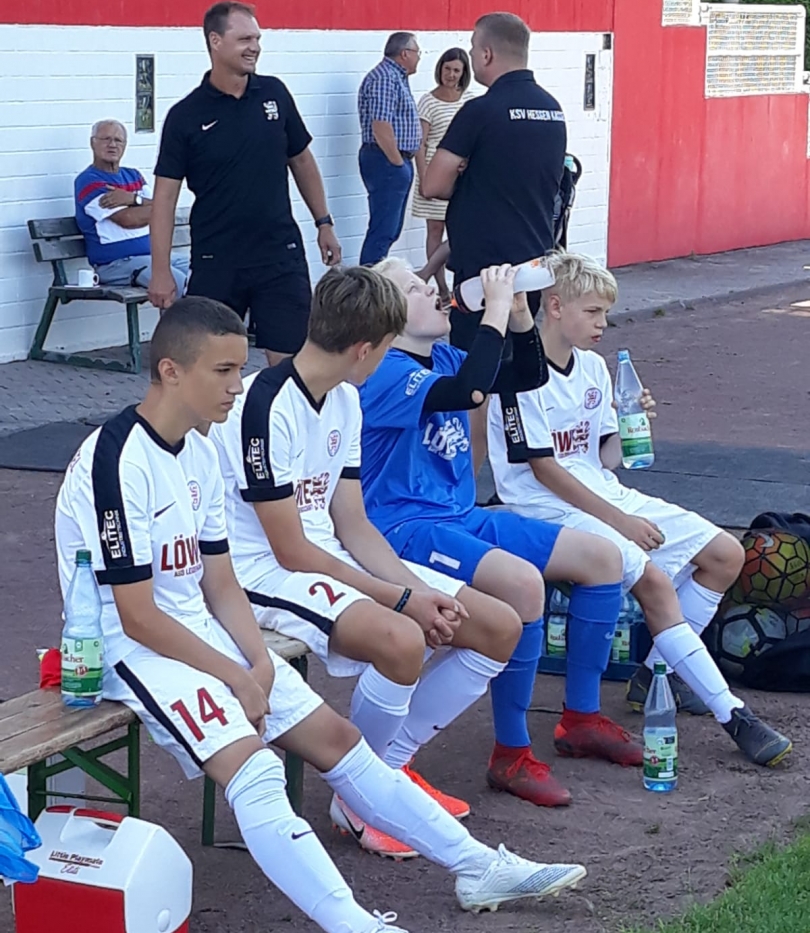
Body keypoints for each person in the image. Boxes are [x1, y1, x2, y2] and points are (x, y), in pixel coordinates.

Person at [54, 296, 587, 933]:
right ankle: (355, 925)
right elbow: (137, 616)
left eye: (238, 368)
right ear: (170, 371)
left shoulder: (197, 449)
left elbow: (219, 580)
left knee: (341, 742)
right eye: (222, 371)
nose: (236, 385)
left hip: (197, 629)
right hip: (126, 648)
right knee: (257, 771)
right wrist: (235, 672)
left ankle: (477, 866)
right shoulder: (114, 458)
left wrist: (256, 661)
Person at [209, 265, 521, 857]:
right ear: (365, 348)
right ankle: (362, 799)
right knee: (402, 639)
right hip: (260, 571)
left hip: (320, 556)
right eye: (386, 347)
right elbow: (291, 549)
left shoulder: (346, 398)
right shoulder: (264, 405)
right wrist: (402, 599)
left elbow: (352, 523)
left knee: (497, 626)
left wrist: (415, 590)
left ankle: (384, 773)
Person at [487, 251, 793, 768]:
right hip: (542, 506)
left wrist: (633, 426)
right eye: (593, 312)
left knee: (724, 554)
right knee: (652, 581)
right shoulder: (519, 370)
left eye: (606, 313)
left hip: (600, 491)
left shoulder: (592, 367)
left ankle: (656, 673)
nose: (603, 324)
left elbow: (603, 458)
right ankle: (734, 714)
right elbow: (544, 469)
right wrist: (620, 522)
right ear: (555, 306)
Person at [360, 258, 645, 809]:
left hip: (459, 513)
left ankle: (581, 717)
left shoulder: (443, 356)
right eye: (415, 289)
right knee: (523, 585)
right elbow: (471, 392)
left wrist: (517, 318)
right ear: (387, 316)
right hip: (406, 526)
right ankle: (510, 752)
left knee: (601, 557)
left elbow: (525, 376)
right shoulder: (386, 371)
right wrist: (492, 309)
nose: (433, 290)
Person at [148, 0, 342, 366]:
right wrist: (160, 271)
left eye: (257, 38)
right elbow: (164, 200)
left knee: (293, 366)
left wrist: (324, 223)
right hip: (217, 259)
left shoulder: (275, 94)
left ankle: (281, 408)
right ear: (215, 41)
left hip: (279, 254)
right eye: (244, 39)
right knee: (209, 365)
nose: (254, 47)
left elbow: (302, 160)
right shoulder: (185, 116)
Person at [421, 12, 566, 471]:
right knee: (515, 376)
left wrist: (464, 173)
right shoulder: (553, 110)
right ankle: (514, 471)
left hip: (483, 276)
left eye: (472, 49)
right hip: (532, 266)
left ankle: (466, 481)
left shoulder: (480, 111)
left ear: (485, 54)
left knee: (474, 384)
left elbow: (433, 184)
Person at [74, 119, 189, 298]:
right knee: (178, 284)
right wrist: (148, 207)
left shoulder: (133, 175)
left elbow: (163, 206)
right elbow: (128, 219)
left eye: (118, 140)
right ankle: (180, 318)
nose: (112, 145)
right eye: (106, 139)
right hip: (116, 264)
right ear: (92, 143)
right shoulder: (89, 181)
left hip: (152, 258)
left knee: (203, 274)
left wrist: (133, 199)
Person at [411, 48, 472, 306]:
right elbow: (420, 142)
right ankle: (442, 289)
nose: (451, 74)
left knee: (462, 229)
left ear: (464, 73)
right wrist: (424, 177)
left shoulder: (470, 101)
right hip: (433, 172)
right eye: (447, 69)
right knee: (434, 230)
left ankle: (458, 285)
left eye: (456, 70)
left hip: (462, 177)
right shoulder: (428, 101)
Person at [357, 33, 422, 266]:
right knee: (383, 230)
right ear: (405, 53)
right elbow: (381, 125)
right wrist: (397, 162)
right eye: (417, 52)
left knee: (389, 230)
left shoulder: (396, 77)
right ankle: (369, 282)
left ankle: (375, 278)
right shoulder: (385, 78)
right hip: (385, 160)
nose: (419, 58)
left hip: (393, 161)